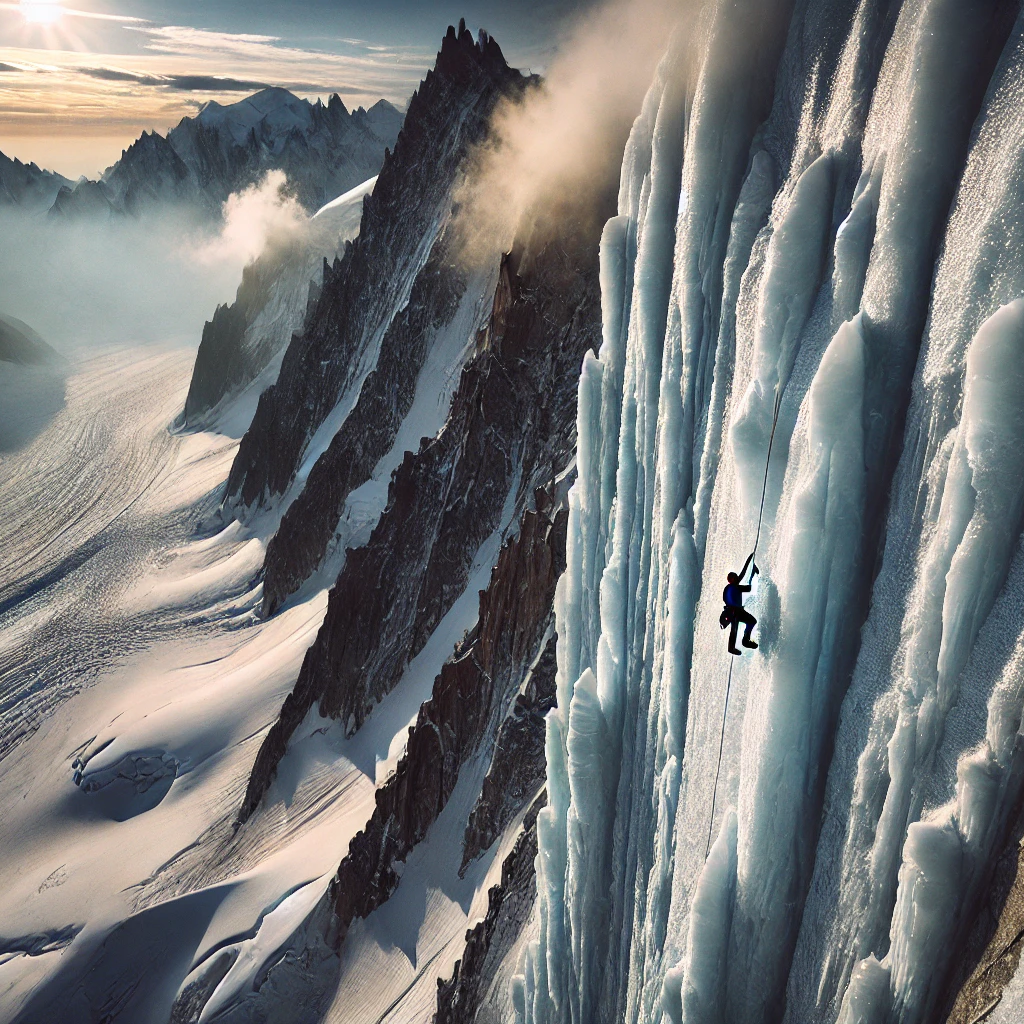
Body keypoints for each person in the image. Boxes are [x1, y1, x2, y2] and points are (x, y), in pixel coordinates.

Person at [722, 552, 759, 655]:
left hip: (730, 611)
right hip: (736, 611)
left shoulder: (728, 587)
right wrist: (752, 573)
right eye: (736, 576)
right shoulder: (736, 586)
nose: (738, 577)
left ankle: (736, 645)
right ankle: (745, 640)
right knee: (750, 621)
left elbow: (742, 574)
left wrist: (749, 560)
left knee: (734, 629)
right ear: (733, 579)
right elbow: (748, 588)